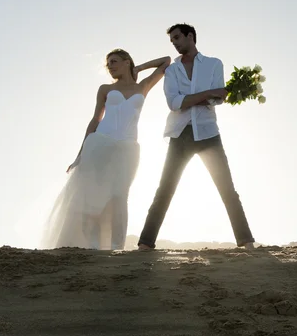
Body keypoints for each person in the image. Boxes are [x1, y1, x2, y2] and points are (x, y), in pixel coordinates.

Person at [137, 23, 256, 251]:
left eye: (177, 38)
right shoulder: (171, 71)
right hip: (179, 134)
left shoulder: (213, 64)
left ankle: (246, 241)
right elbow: (174, 103)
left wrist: (196, 97)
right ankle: (145, 243)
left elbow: (219, 98)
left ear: (190, 36)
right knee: (165, 189)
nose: (175, 43)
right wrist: (208, 93)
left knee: (227, 189)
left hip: (208, 133)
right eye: (172, 40)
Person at [40, 49, 171, 250]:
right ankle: (84, 245)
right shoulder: (105, 89)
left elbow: (166, 61)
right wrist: (80, 155)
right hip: (100, 144)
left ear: (127, 62)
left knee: (119, 196)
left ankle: (113, 245)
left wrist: (140, 68)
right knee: (91, 196)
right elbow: (95, 120)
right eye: (108, 63)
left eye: (114, 61)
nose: (110, 66)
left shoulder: (143, 87)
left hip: (128, 149)